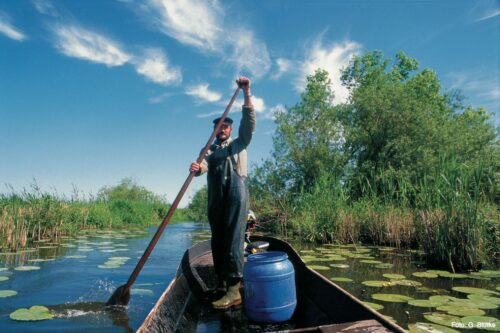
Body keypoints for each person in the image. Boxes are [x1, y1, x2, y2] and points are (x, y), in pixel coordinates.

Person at [190, 77, 255, 309]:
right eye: (219, 126)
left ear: (230, 128)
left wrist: (246, 92)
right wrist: (196, 169)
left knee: (233, 240)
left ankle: (234, 290)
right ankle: (221, 282)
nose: (223, 129)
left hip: (236, 195)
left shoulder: (239, 143)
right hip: (216, 198)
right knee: (217, 241)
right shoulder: (208, 150)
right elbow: (203, 167)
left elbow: (249, 124)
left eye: (226, 126)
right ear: (215, 130)